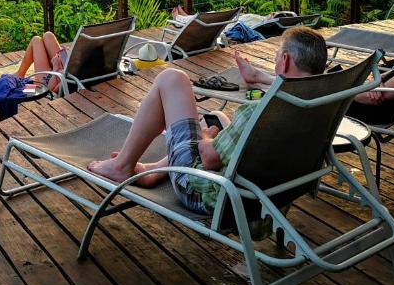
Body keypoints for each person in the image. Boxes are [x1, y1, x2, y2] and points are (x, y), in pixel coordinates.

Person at [87, 27, 328, 225]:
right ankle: (157, 170)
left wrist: (205, 137)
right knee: (216, 116)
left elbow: (210, 158)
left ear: (285, 60)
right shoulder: (320, 105)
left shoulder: (262, 112)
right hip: (269, 196)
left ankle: (121, 166)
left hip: (209, 195)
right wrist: (258, 78)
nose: (275, 62)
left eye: (276, 57)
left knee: (172, 79)